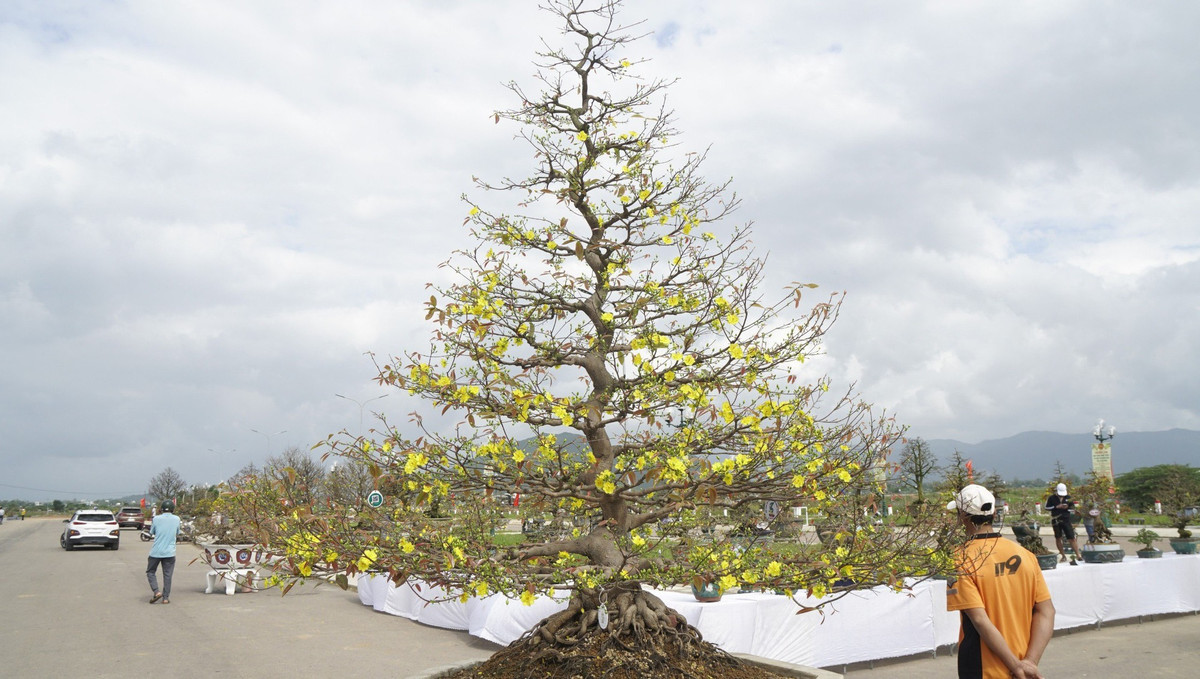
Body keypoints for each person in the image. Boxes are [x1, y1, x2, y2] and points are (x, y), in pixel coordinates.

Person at [947, 484, 1055, 679]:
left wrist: (1015, 666)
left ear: (962, 516)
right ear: (994, 514)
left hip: (984, 668)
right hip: (1023, 667)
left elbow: (979, 620)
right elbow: (1046, 610)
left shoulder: (960, 559)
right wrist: (1029, 662)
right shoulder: (1025, 555)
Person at [146, 499, 181, 604]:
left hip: (156, 552)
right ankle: (165, 598)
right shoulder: (176, 519)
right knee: (168, 575)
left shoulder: (156, 519)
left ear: (161, 509)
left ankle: (156, 591)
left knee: (150, 572)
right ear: (172, 509)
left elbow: (152, 532)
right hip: (170, 552)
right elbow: (177, 532)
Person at [1044, 483, 1083, 564]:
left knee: (1071, 537)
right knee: (1058, 537)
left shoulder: (1068, 498)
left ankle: (1078, 555)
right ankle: (1063, 555)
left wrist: (1068, 508)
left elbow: (1072, 509)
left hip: (1066, 519)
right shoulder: (1051, 498)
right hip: (1056, 519)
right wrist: (1056, 507)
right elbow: (1047, 507)